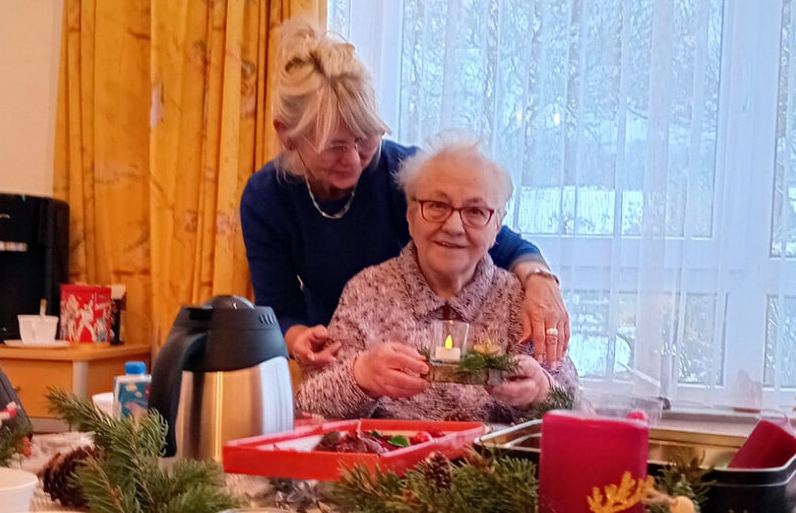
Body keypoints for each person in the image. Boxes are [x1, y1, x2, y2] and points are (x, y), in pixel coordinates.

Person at [240, 19, 569, 373]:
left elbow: (492, 239)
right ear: (287, 135)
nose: (353, 160)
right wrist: (298, 338)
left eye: (366, 138)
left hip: (422, 358)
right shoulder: (266, 199)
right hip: (345, 361)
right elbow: (278, 309)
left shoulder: (403, 173)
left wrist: (540, 281)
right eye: (334, 146)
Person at [295, 133, 578, 422]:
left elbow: (579, 410)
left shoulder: (520, 304)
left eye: (475, 211)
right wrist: (360, 376)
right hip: (390, 465)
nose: (454, 226)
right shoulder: (368, 291)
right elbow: (308, 403)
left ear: (497, 227)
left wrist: (543, 391)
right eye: (437, 206)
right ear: (410, 214)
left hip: (494, 467)